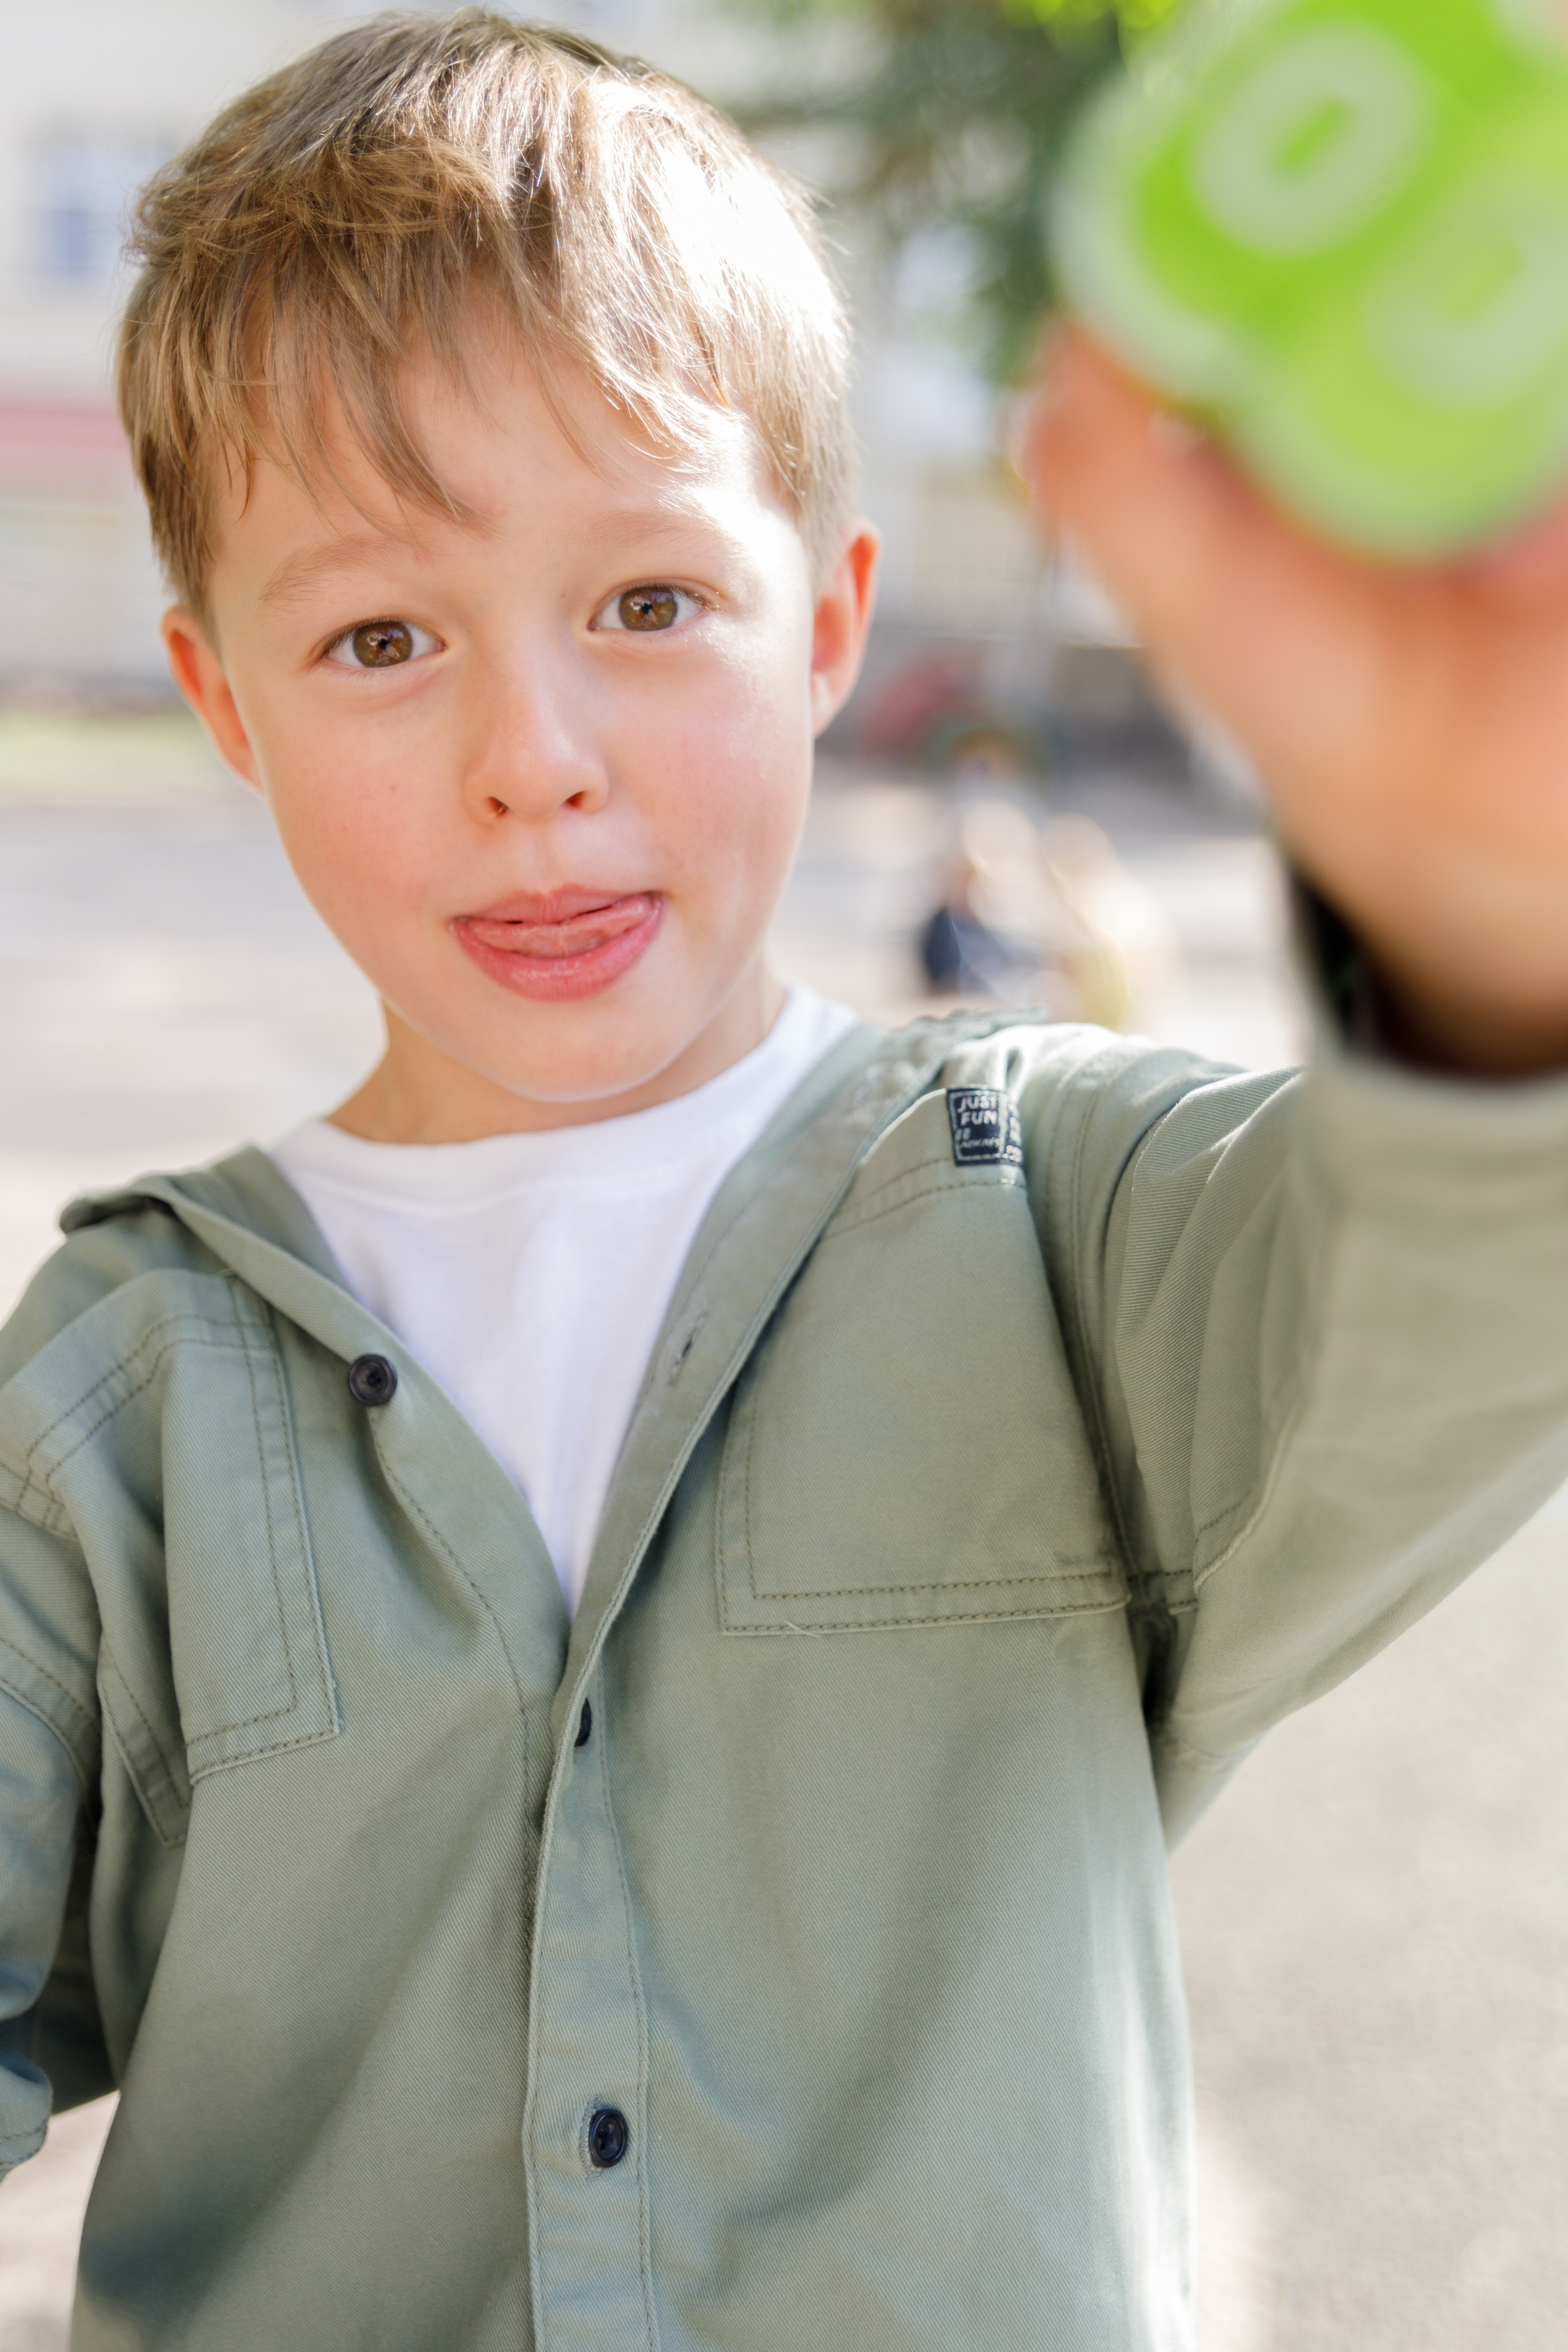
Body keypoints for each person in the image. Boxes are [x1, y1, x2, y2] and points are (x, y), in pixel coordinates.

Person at [4, 13, 1568, 2348]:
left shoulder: (1058, 1216)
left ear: (827, 623)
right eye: (380, 636)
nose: (535, 759)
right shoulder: (115, 1392)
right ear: (225, 700)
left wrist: (1491, 927)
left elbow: (1467, 1270)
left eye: (648, 605)